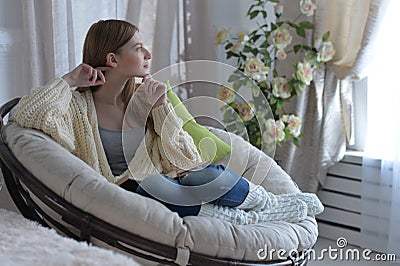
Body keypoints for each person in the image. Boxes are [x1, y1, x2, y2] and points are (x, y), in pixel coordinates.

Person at [12, 19, 323, 224]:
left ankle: (268, 203)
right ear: (112, 60)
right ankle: (246, 218)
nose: (147, 53)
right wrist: (68, 80)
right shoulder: (78, 106)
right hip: (124, 196)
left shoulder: (144, 97)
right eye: (137, 48)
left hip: (169, 181)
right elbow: (25, 116)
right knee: (153, 187)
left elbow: (186, 157)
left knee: (202, 175)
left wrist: (161, 108)